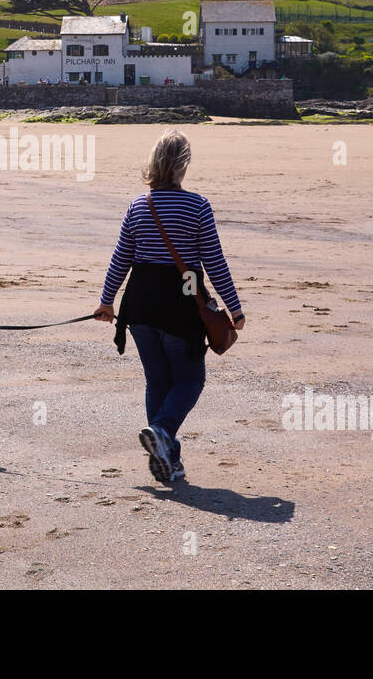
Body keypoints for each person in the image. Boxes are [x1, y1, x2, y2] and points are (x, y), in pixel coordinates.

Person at [94, 129, 244, 484]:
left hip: (140, 302)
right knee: (191, 377)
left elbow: (121, 259)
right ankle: (161, 432)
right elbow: (213, 261)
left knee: (158, 380)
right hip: (182, 297)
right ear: (183, 166)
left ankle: (169, 460)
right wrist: (234, 309)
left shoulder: (138, 205)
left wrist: (106, 300)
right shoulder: (197, 206)